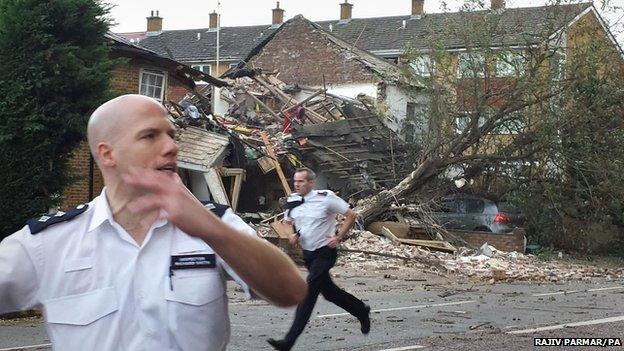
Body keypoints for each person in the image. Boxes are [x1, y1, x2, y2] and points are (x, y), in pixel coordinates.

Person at [0, 94, 307, 351]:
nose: (171, 146)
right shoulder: (50, 242)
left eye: (171, 135)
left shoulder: (215, 224)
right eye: (150, 136)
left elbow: (290, 292)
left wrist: (210, 230)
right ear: (108, 154)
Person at [267, 168, 371, 351]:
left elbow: (351, 215)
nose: (297, 184)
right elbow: (288, 222)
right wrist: (293, 235)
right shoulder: (293, 200)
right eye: (295, 181)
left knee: (308, 292)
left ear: (311, 183)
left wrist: (338, 237)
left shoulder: (326, 198)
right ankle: (360, 310)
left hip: (325, 252)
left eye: (301, 181)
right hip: (308, 255)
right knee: (330, 293)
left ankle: (288, 342)